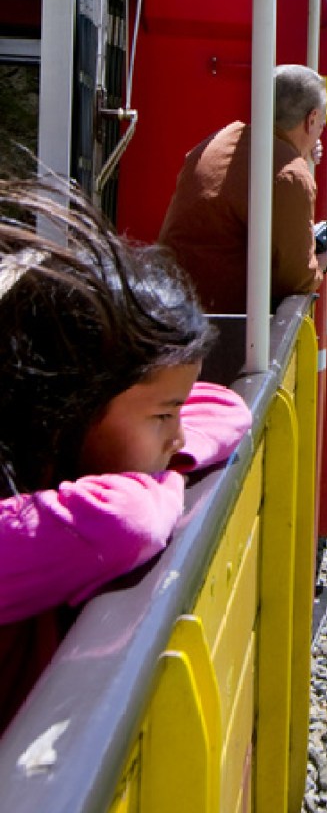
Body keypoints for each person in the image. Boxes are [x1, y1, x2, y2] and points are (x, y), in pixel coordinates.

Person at [0, 178, 251, 731]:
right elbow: (125, 522)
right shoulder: (18, 531)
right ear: (71, 404)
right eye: (165, 416)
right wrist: (159, 481)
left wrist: (167, 446)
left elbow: (227, 408)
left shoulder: (55, 454)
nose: (180, 435)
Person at [158, 63, 327, 314]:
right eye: (320, 125)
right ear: (311, 118)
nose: (319, 135)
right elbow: (296, 278)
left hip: (166, 304)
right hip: (219, 326)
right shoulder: (291, 175)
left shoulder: (222, 138)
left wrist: (298, 152)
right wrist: (321, 264)